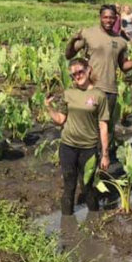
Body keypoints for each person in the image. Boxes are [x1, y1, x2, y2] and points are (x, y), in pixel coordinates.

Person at [65, 4, 132, 141]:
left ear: (116, 18)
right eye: (105, 17)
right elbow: (69, 55)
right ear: (100, 18)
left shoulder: (120, 41)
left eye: (111, 18)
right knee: (87, 123)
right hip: (91, 88)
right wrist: (72, 40)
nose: (108, 21)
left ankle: (104, 155)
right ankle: (87, 155)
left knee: (106, 126)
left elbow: (123, 66)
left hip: (110, 90)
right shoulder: (88, 34)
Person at [45, 58, 110, 215]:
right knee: (69, 185)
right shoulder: (69, 93)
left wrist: (105, 154)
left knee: (86, 185)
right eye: (74, 74)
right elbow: (61, 119)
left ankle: (94, 218)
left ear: (88, 70)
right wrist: (48, 107)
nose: (78, 76)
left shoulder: (99, 95)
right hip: (68, 146)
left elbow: (103, 125)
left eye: (80, 71)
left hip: (88, 148)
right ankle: (67, 224)